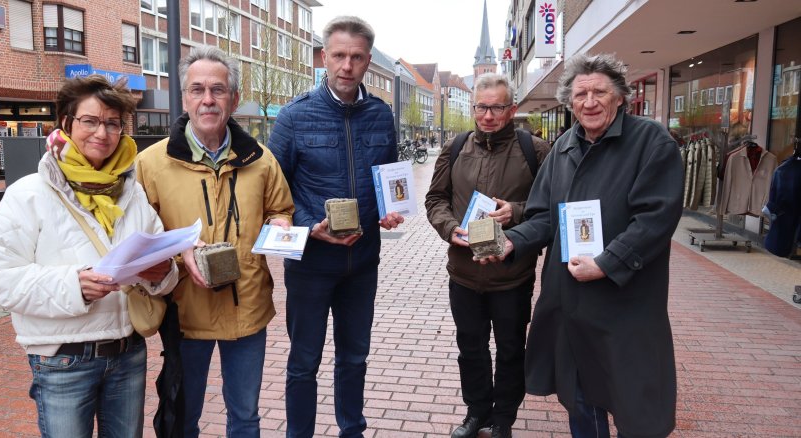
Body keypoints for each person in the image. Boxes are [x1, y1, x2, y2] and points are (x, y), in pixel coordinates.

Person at [0, 74, 178, 438]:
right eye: (90, 121)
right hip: (62, 360)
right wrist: (75, 285)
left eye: (112, 123)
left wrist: (162, 274)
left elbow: (163, 265)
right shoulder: (29, 194)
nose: (101, 133)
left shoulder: (132, 196)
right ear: (66, 123)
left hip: (128, 353)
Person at [496, 53, 684, 437]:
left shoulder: (650, 142)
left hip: (625, 302)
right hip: (571, 301)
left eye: (600, 92)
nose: (590, 102)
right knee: (580, 397)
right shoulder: (564, 146)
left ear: (619, 97)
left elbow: (655, 218)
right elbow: (545, 215)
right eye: (580, 94)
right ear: (569, 101)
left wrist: (606, 263)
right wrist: (511, 241)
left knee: (633, 401)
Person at [135, 45, 294, 437]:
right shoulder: (151, 164)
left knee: (245, 418)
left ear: (234, 99)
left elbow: (281, 208)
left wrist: (280, 226)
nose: (208, 99)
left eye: (218, 90)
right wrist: (178, 254)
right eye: (198, 90)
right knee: (183, 417)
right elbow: (138, 236)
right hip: (185, 312)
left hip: (248, 309)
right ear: (185, 98)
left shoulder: (262, 160)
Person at [268, 16, 404, 437]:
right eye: (340, 55)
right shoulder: (293, 117)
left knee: (354, 358)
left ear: (367, 62)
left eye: (357, 57)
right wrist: (309, 228)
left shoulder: (382, 115)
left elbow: (390, 178)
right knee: (303, 362)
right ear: (324, 57)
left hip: (362, 263)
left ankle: (352, 430)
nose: (347, 65)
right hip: (310, 265)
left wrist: (390, 208)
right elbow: (272, 193)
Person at [425, 73, 550, 438]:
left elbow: (551, 207)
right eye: (482, 107)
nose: (489, 115)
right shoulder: (456, 146)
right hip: (464, 273)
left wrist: (516, 210)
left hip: (512, 274)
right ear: (475, 108)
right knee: (471, 348)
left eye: (497, 107)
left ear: (511, 109)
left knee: (511, 350)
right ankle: (476, 412)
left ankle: (503, 419)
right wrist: (451, 229)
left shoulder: (535, 151)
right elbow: (436, 200)